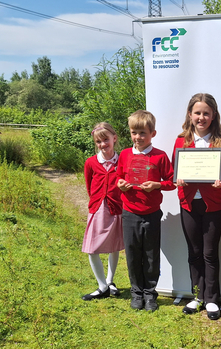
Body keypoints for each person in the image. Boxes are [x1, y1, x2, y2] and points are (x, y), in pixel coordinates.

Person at [173, 93, 221, 320]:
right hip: (188, 203)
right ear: (190, 115)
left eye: (206, 113)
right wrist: (177, 177)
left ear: (214, 115)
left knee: (210, 253)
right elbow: (175, 169)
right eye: (197, 113)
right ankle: (197, 296)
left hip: (214, 204)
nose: (201, 117)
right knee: (194, 252)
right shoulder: (181, 140)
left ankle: (212, 299)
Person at [116, 110, 175, 312]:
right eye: (134, 132)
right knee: (132, 254)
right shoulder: (124, 154)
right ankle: (136, 293)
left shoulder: (160, 156)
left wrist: (156, 185)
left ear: (153, 134)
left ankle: (150, 294)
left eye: (142, 133)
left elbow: (171, 182)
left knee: (150, 255)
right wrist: (121, 184)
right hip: (129, 212)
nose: (138, 137)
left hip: (151, 212)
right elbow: (118, 177)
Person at [81, 122, 124, 301]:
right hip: (98, 207)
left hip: (117, 207)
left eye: (106, 140)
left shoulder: (123, 160)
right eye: (98, 142)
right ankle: (102, 285)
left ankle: (109, 280)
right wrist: (97, 202)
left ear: (114, 139)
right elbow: (89, 185)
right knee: (92, 248)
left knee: (114, 246)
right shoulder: (91, 162)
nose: (102, 144)